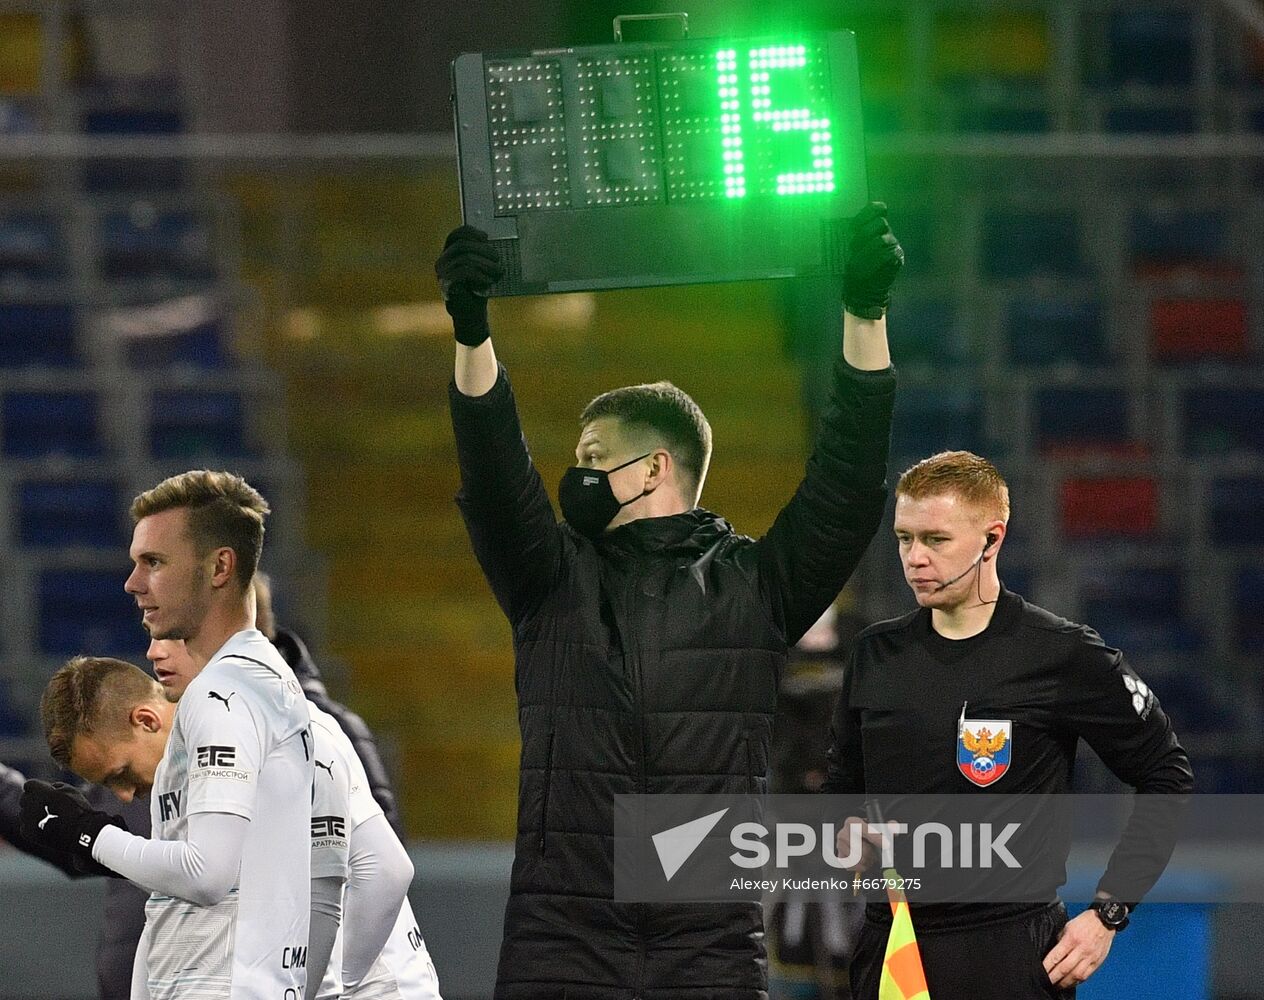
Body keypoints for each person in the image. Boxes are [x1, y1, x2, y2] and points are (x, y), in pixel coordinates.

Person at [434, 201, 904, 999]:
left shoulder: (756, 586)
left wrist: (864, 315)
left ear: (653, 469)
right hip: (561, 939)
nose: (573, 473)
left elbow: (849, 486)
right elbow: (491, 472)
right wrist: (472, 334)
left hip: (709, 946)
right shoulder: (549, 577)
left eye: (592, 456)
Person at [823, 450, 1194, 997]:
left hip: (1009, 951)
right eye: (904, 538)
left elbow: (1166, 775)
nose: (914, 558)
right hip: (891, 946)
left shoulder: (1062, 654)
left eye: (936, 540)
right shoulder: (875, 653)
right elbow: (844, 779)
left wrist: (1108, 914)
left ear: (992, 540)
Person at [19, 470, 314, 1000]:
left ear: (220, 566)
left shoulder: (223, 698)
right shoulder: (262, 693)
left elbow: (203, 876)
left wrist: (89, 834)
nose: (132, 583)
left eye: (152, 562)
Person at [143, 637, 442, 1000]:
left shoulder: (299, 728)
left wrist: (329, 983)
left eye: (176, 636)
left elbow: (387, 870)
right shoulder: (230, 738)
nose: (154, 652)